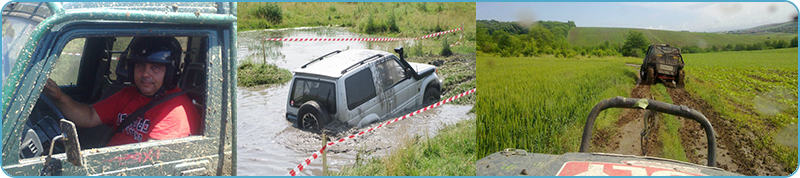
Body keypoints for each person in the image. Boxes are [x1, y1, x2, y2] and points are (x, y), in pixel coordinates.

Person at [43, 37, 200, 147]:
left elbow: (151, 164)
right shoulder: (128, 94)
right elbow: (90, 116)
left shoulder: (174, 112)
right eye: (140, 66)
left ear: (170, 73)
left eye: (155, 68)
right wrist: (59, 97)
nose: (145, 74)